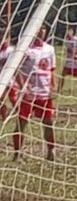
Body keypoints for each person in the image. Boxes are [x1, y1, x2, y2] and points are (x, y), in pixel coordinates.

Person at [12, 26, 56, 161]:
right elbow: (16, 69)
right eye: (37, 29)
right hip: (29, 95)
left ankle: (51, 151)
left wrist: (54, 87)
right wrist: (23, 86)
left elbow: (52, 69)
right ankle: (17, 153)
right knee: (22, 123)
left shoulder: (50, 49)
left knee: (48, 122)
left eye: (43, 29)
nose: (41, 31)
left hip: (44, 94)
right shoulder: (26, 50)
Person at [62, 26, 77, 93]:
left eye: (70, 31)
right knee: (63, 74)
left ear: (72, 32)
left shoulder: (76, 39)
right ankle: (59, 90)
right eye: (67, 31)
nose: (68, 32)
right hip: (70, 61)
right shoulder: (66, 40)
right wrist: (69, 54)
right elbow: (68, 50)